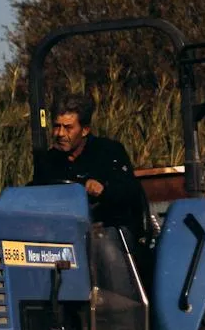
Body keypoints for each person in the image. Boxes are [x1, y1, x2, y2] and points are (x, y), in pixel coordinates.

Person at [35, 94, 147, 240]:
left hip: (109, 230)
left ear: (85, 130)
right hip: (64, 233)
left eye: (68, 128)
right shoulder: (49, 160)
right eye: (57, 126)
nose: (60, 133)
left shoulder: (109, 152)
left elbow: (130, 193)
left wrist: (103, 191)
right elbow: (36, 193)